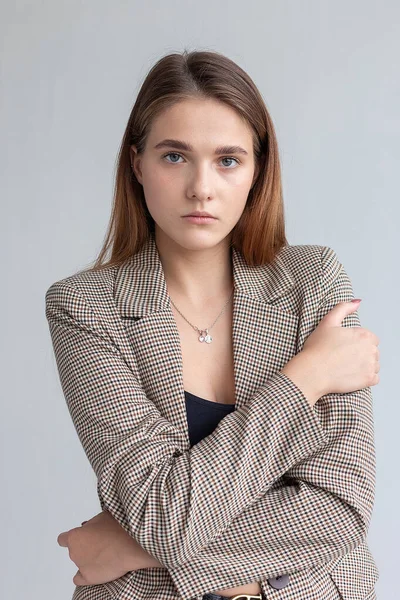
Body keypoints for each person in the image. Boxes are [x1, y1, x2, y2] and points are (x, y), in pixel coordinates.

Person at [45, 49, 380, 600]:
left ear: (257, 171)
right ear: (137, 164)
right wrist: (304, 381)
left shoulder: (312, 281)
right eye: (175, 157)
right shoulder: (85, 307)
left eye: (228, 160)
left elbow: (340, 511)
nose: (202, 187)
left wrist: (131, 547)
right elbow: (160, 515)